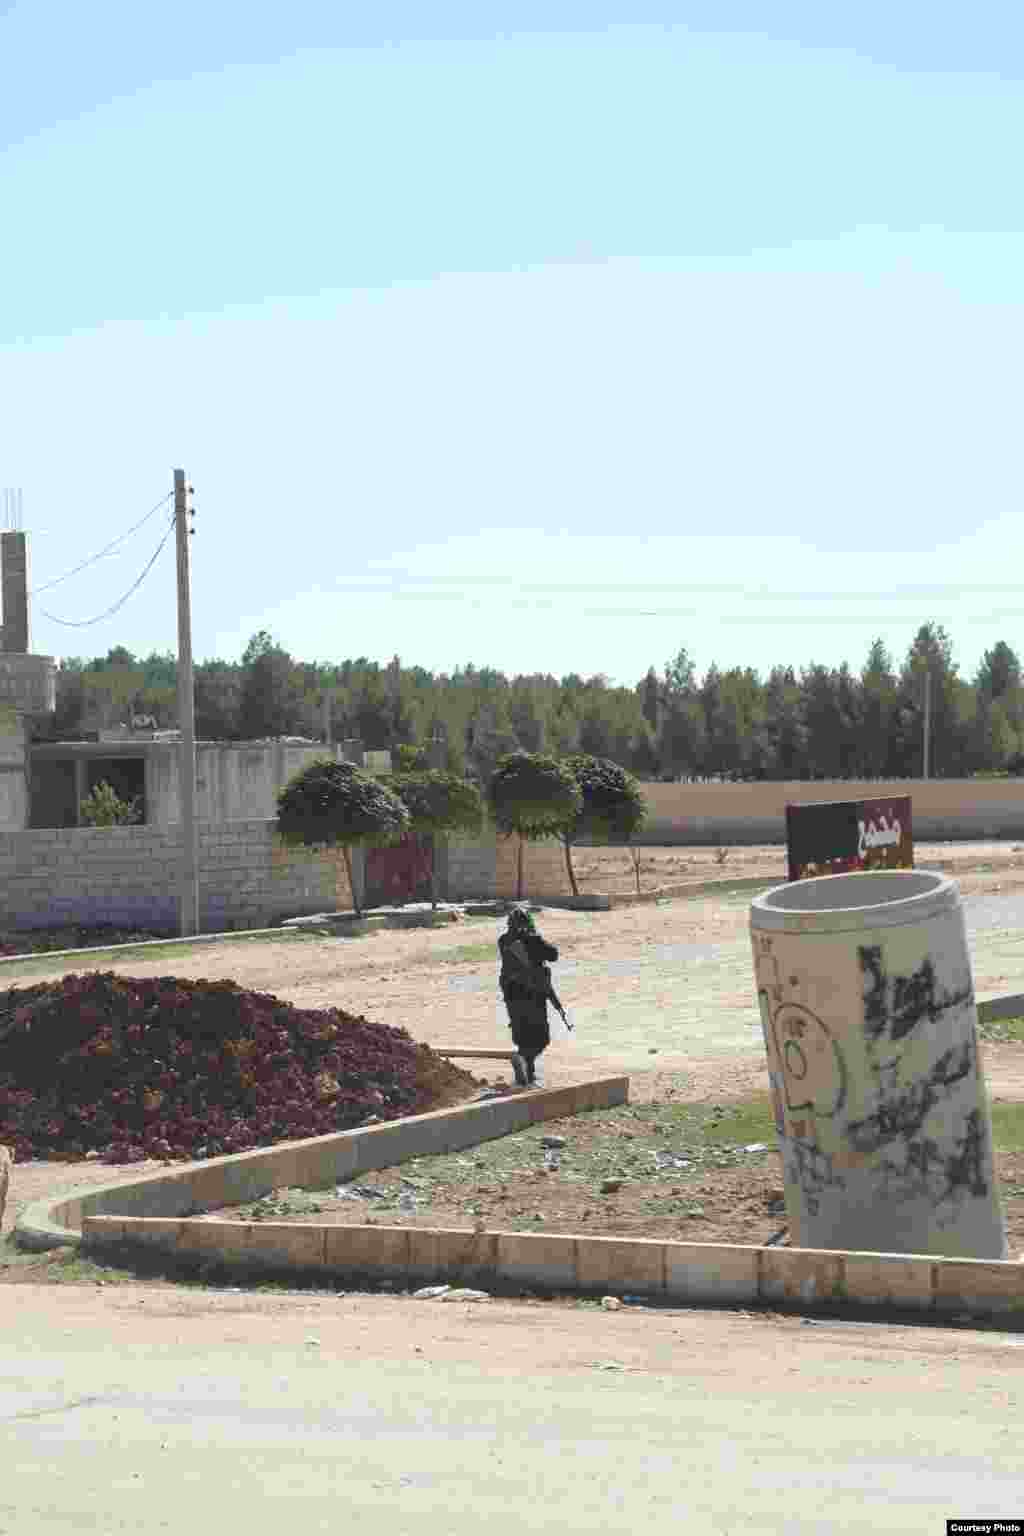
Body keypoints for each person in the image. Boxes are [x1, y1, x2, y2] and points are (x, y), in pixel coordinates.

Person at [498, 905, 559, 1087]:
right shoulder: (533, 940)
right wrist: (536, 937)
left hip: (511, 993)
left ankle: (527, 1070)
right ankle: (525, 1062)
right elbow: (553, 954)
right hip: (532, 995)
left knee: (521, 1032)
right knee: (540, 1036)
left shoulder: (503, 941)